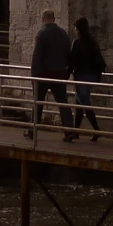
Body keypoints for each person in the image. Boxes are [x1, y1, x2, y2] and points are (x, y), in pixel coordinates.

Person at [29, 8, 73, 138]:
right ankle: (69, 130)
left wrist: (34, 75)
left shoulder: (41, 34)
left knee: (38, 103)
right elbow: (67, 55)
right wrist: (66, 71)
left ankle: (33, 130)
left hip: (43, 74)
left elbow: (37, 57)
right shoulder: (63, 34)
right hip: (59, 73)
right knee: (63, 103)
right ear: (54, 19)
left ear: (43, 20)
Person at [68, 17, 106, 140]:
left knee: (84, 103)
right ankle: (75, 132)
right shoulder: (93, 42)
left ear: (78, 29)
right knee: (79, 102)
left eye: (75, 28)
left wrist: (67, 73)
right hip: (92, 76)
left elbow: (72, 61)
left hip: (81, 76)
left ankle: (96, 129)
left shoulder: (77, 43)